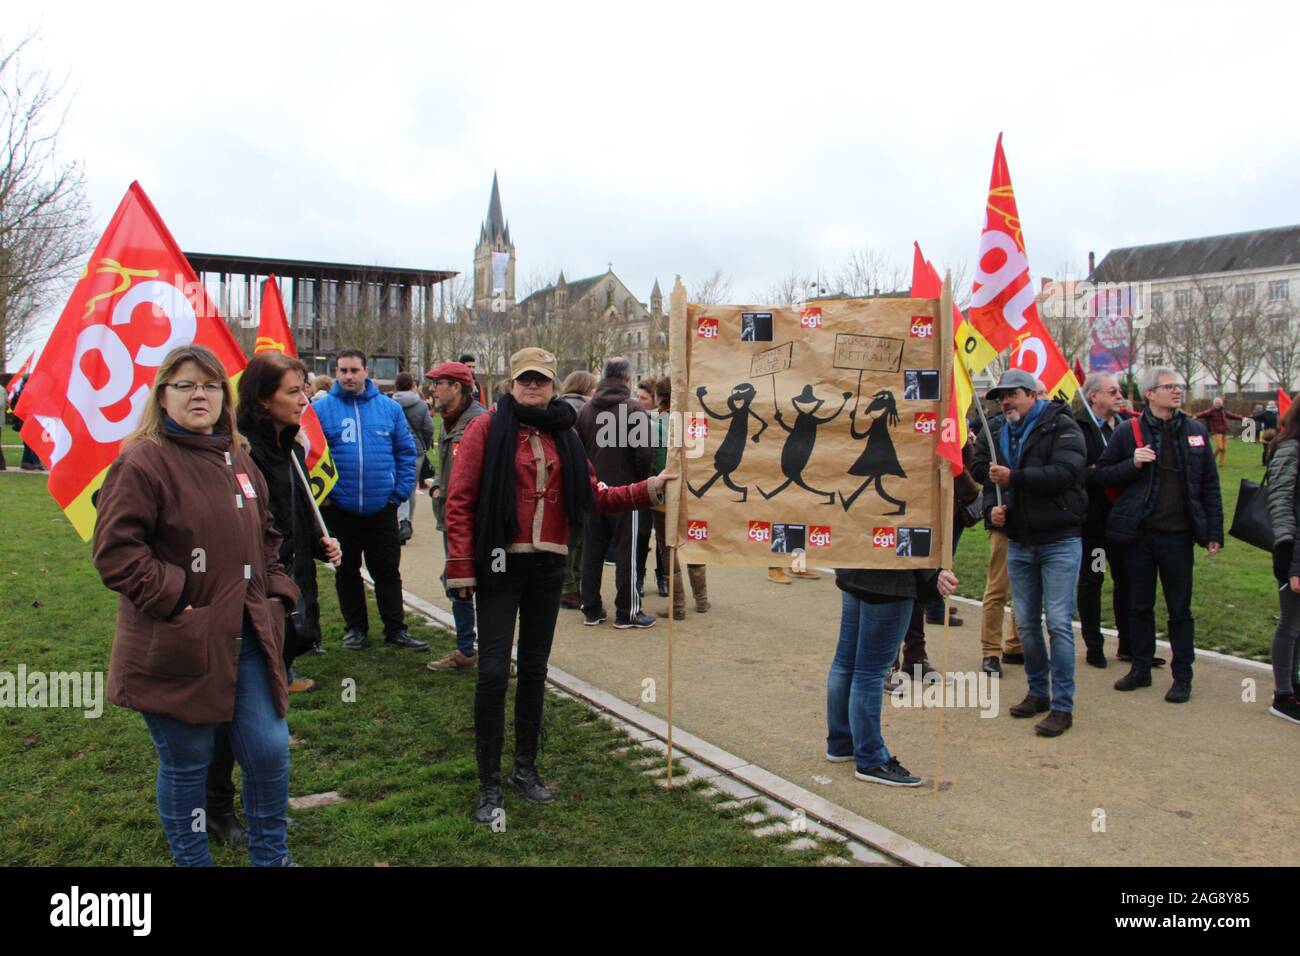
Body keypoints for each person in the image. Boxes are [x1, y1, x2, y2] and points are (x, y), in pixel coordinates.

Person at [443, 347, 676, 823]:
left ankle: (524, 770)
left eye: (541, 380)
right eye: (525, 379)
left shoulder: (564, 432)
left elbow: (593, 495)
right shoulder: (486, 428)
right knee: (491, 673)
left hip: (548, 568)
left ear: (552, 385)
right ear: (511, 383)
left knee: (533, 669)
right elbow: (460, 499)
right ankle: (488, 784)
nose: (533, 387)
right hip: (499, 564)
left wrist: (651, 486)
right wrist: (461, 567)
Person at [91, 344, 301, 866]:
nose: (199, 395)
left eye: (209, 385)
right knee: (187, 761)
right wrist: (179, 598)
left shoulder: (238, 456)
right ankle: (192, 861)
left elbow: (267, 534)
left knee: (269, 752)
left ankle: (271, 859)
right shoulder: (143, 459)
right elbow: (116, 551)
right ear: (163, 395)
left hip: (248, 635)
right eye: (185, 385)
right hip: (177, 641)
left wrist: (276, 590)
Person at [201, 352, 344, 845]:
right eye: (293, 392)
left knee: (268, 720)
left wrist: (318, 545)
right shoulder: (241, 455)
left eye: (305, 389)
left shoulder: (285, 449)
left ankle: (264, 806)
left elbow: (288, 519)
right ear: (263, 401)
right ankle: (216, 809)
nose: (305, 399)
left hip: (283, 599)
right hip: (248, 608)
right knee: (231, 715)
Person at [1093, 367, 1223, 703]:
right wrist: (1132, 463)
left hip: (1179, 537)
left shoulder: (1196, 430)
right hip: (1140, 535)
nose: (1177, 392)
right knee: (1139, 606)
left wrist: (1214, 531)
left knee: (1180, 609)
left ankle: (1183, 675)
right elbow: (1100, 475)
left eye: (1179, 386)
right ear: (1150, 393)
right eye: (1169, 387)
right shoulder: (1128, 431)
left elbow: (1210, 484)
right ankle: (1140, 668)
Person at [980, 369, 1087, 736]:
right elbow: (990, 484)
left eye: (1011, 394)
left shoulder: (1062, 425)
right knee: (1025, 624)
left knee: (1057, 623)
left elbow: (1067, 472)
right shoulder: (1000, 433)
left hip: (1059, 540)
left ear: (1032, 394)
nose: (1005, 402)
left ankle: (1063, 706)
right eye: (1000, 397)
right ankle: (1037, 692)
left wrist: (1016, 479)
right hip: (1019, 540)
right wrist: (991, 511)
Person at [314, 350, 426, 651]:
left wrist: (398, 492)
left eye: (354, 370)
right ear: (336, 373)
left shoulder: (388, 409)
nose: (348, 376)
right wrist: (324, 497)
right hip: (340, 508)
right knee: (347, 571)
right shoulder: (322, 410)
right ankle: (356, 629)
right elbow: (311, 455)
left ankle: (396, 629)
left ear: (366, 371)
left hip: (381, 507)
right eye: (342, 370)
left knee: (387, 571)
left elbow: (406, 451)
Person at [827, 563, 959, 786]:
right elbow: (909, 531)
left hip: (854, 569)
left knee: (847, 663)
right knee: (869, 671)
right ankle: (870, 758)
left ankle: (842, 743)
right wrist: (934, 573)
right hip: (889, 580)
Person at [576, 357, 656, 628]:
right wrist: (640, 482)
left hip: (594, 490)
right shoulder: (634, 409)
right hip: (626, 491)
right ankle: (628, 611)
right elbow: (644, 453)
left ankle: (590, 607)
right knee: (627, 554)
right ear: (627, 379)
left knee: (592, 551)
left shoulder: (586, 410)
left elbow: (579, 450)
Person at [425, 360, 487, 671]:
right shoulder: (449, 421)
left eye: (438, 383)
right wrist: (438, 485)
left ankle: (471, 650)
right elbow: (446, 467)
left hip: (471, 522)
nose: (432, 389)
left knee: (465, 582)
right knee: (457, 582)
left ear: (457, 387)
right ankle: (470, 648)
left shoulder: (478, 424)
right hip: (453, 519)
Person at [1075, 372, 1139, 668]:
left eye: (1118, 391)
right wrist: (1102, 472)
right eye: (1112, 391)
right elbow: (1076, 473)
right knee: (1093, 581)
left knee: (1126, 581)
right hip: (1095, 525)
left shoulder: (1126, 428)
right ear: (1094, 396)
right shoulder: (1078, 427)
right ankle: (1094, 644)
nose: (1118, 395)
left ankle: (1128, 643)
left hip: (1124, 523)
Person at [969, 405, 1024, 677]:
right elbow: (977, 468)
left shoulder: (1045, 428)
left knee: (1026, 590)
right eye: (1006, 395)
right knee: (998, 587)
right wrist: (994, 473)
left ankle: (1016, 643)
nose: (1009, 401)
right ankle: (990, 651)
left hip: (1035, 521)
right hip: (1001, 515)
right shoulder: (992, 429)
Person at [653, 376, 709, 620]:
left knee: (668, 547)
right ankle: (702, 600)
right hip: (694, 492)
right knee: (693, 542)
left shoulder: (659, 425)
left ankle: (677, 605)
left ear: (660, 398)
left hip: (667, 494)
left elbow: (655, 461)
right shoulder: (695, 421)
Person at [1266, 397, 1300, 724]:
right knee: (1291, 624)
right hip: (1293, 552)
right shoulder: (1290, 449)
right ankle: (1283, 694)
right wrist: (1290, 559)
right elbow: (1282, 503)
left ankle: (1294, 685)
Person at [559, 370, 597, 608]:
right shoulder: (583, 410)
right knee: (576, 537)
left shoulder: (559, 406)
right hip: (578, 476)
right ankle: (570, 587)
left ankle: (569, 585)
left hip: (560, 477)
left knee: (568, 534)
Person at [392, 371, 435, 545]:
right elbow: (428, 428)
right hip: (416, 449)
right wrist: (425, 444)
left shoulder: (389, 403)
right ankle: (407, 521)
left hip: (394, 449)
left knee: (395, 485)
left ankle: (401, 522)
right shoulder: (422, 405)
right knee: (410, 486)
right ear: (412, 385)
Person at [1194, 395, 1243, 468]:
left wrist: (1242, 418)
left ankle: (1221, 463)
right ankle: (1211, 460)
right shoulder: (1211, 411)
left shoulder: (1223, 411)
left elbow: (1232, 415)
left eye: (1219, 403)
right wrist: (1196, 416)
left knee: (1224, 449)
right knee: (1219, 447)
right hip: (1216, 432)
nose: (1218, 404)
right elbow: (1203, 413)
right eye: (1216, 403)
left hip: (1224, 432)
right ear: (1214, 404)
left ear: (1221, 404)